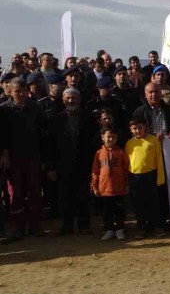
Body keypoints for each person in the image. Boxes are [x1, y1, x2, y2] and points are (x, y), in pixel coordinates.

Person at [0, 78, 48, 240]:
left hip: (33, 156)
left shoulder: (35, 107)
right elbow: (2, 135)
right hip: (13, 159)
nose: (20, 94)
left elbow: (44, 130)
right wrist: (5, 155)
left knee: (35, 192)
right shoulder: (4, 109)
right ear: (10, 92)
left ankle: (35, 226)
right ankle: (18, 228)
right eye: (17, 91)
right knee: (16, 194)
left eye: (23, 91)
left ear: (27, 91)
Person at [49, 88, 96, 235]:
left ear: (79, 100)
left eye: (74, 98)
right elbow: (50, 145)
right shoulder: (56, 119)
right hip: (63, 164)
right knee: (65, 197)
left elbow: (93, 142)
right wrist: (51, 167)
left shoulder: (88, 118)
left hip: (84, 163)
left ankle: (84, 225)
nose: (71, 101)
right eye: (68, 98)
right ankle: (67, 226)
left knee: (83, 196)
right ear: (63, 100)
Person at [126, 116, 166, 239]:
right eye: (134, 128)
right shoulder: (129, 143)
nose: (137, 130)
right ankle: (141, 228)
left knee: (153, 203)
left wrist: (160, 178)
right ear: (130, 129)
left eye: (140, 127)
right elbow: (127, 162)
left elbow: (159, 160)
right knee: (139, 204)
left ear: (145, 127)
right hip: (135, 177)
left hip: (150, 175)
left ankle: (157, 227)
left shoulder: (153, 140)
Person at [91, 126, 129, 241]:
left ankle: (120, 229)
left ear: (117, 138)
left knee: (119, 210)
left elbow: (126, 170)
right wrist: (95, 186)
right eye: (108, 136)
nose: (111, 139)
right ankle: (109, 230)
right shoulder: (98, 153)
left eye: (113, 137)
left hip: (119, 188)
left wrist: (126, 184)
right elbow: (95, 171)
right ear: (103, 137)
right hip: (105, 189)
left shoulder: (121, 152)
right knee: (107, 211)